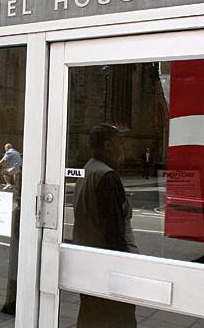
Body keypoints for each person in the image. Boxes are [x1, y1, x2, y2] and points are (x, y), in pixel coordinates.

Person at [72, 123, 138, 328]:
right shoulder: (107, 176)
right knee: (116, 318)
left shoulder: (88, 169)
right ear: (108, 145)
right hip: (105, 265)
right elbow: (114, 232)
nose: (123, 148)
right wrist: (122, 269)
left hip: (88, 260)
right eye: (120, 142)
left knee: (91, 315)